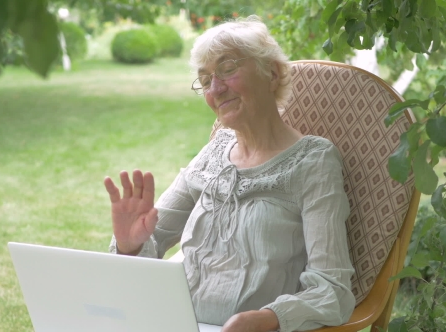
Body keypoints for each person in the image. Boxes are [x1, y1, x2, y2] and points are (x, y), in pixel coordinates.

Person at [104, 16, 355, 332]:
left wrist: (265, 319)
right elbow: (151, 240)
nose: (216, 89)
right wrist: (131, 245)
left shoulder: (312, 161)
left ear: (272, 74)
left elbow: (332, 290)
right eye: (206, 79)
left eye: (227, 70)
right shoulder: (215, 150)